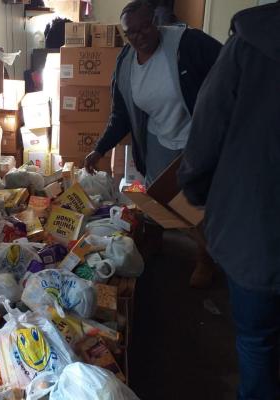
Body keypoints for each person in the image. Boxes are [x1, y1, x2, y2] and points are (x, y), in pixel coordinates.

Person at [178, 3, 280, 399]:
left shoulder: (251, 42)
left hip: (258, 231)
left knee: (257, 342)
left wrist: (197, 192)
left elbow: (207, 128)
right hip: (256, 230)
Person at [84, 0, 222, 287]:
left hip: (196, 136)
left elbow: (226, 70)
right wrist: (100, 148)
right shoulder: (126, 63)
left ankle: (206, 257)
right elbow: (120, 114)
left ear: (156, 21)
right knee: (157, 197)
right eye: (131, 33)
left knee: (196, 203)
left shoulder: (187, 43)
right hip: (158, 137)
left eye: (145, 27)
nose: (139, 36)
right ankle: (156, 240)